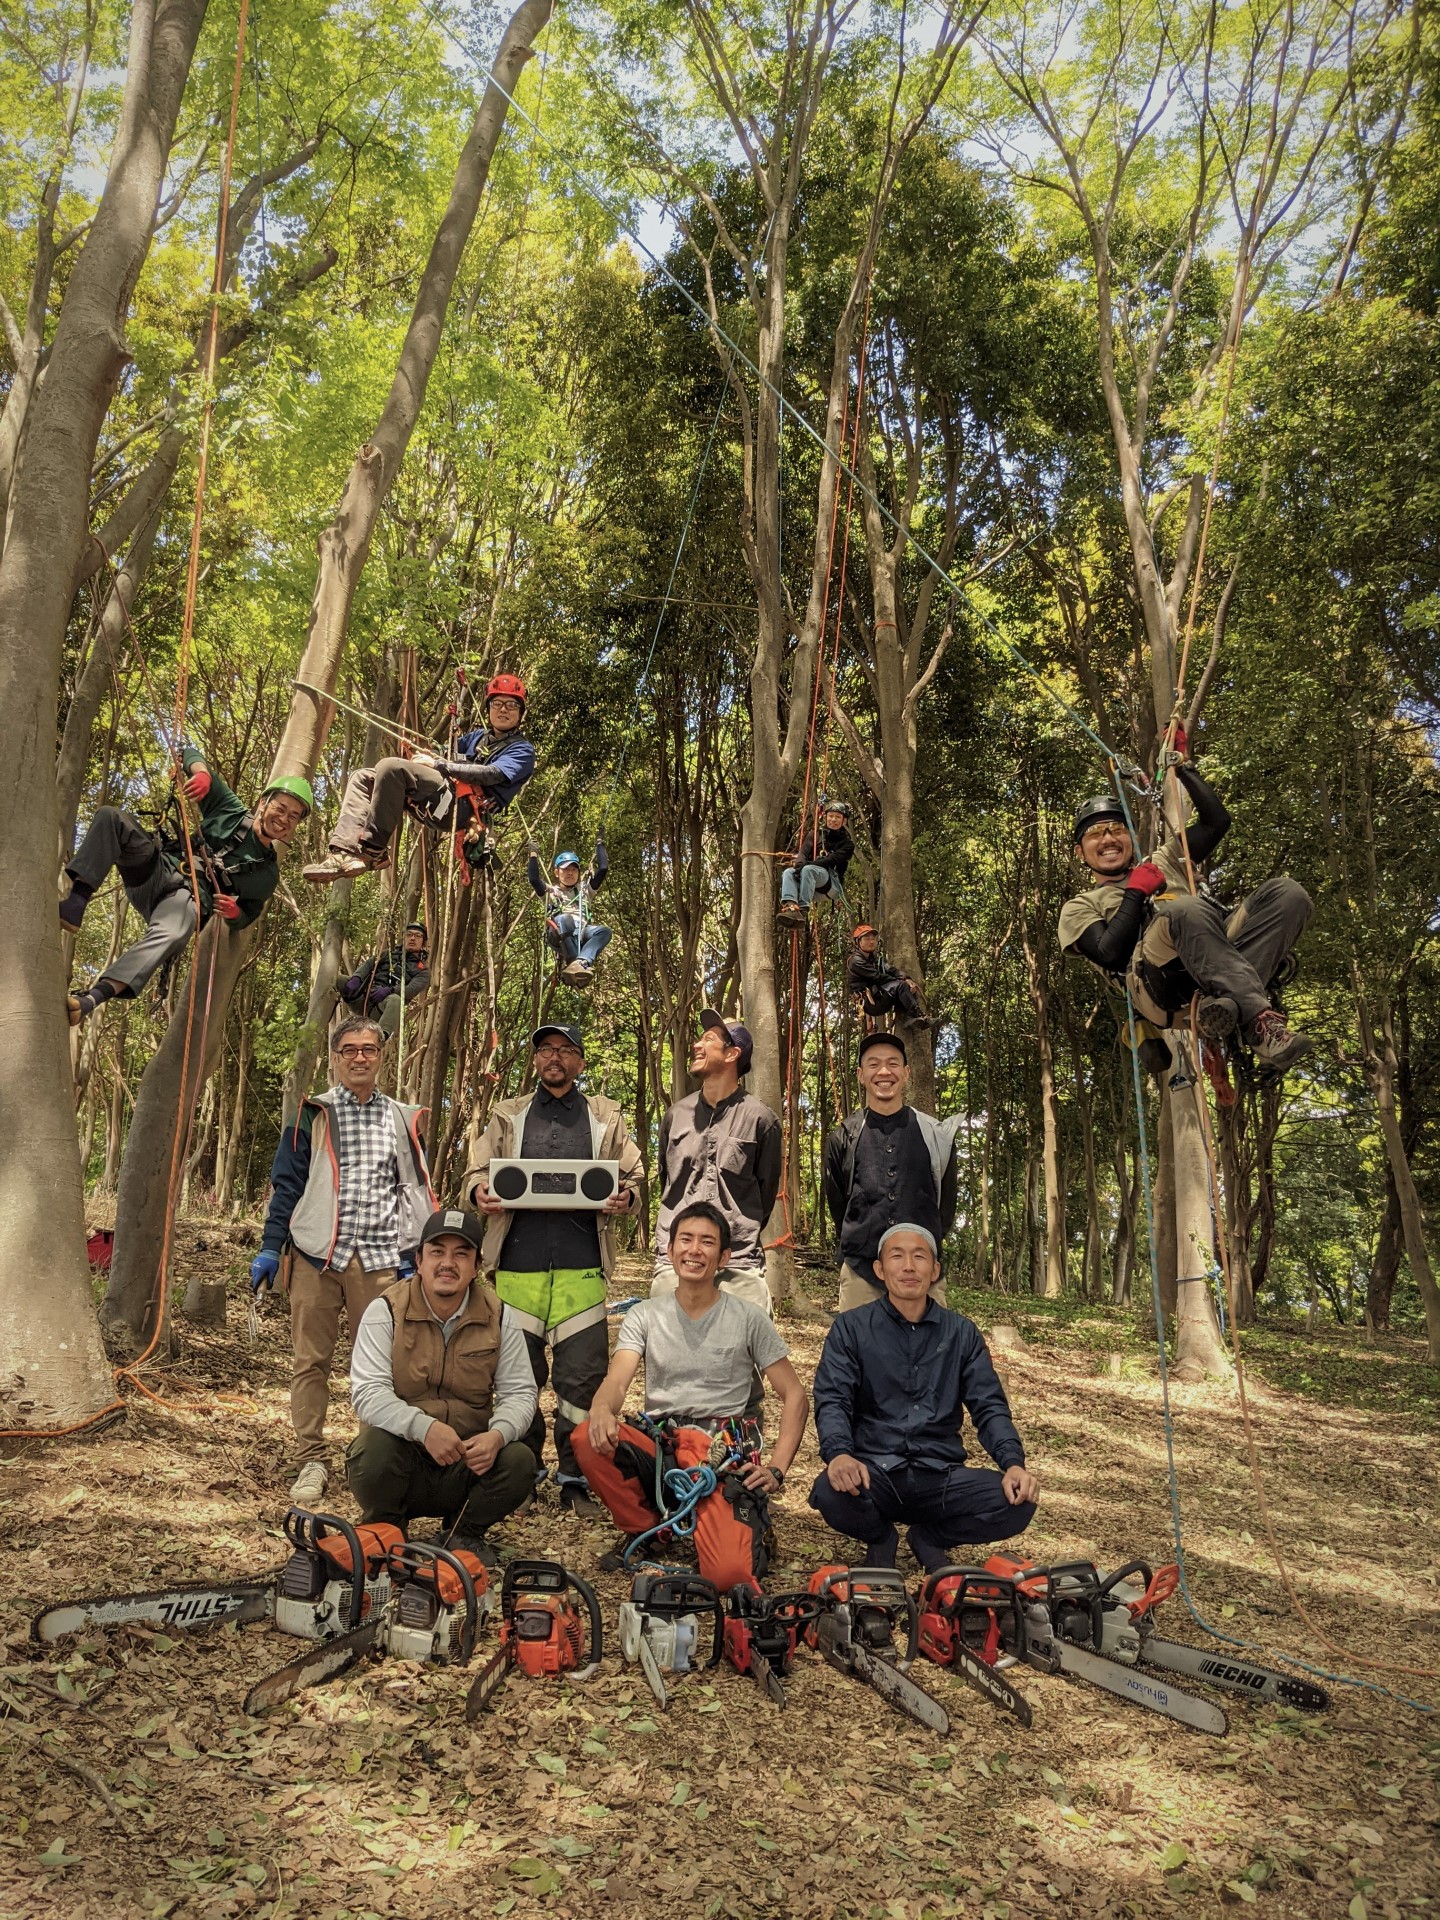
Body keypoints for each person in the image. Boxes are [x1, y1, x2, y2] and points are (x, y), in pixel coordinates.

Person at [250, 1014, 436, 1507]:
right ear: (336, 1057)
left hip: (379, 1262)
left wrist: (415, 1254)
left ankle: (367, 1456)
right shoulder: (313, 1113)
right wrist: (272, 1245)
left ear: (380, 1056)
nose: (359, 1057)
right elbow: (286, 1185)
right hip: (317, 1256)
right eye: (349, 1049)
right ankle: (311, 1457)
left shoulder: (400, 1117)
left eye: (368, 1049)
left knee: (376, 1366)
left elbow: (413, 1190)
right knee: (309, 1361)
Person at [573, 1202, 808, 1589]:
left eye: (707, 1242)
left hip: (718, 1453)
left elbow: (794, 1395)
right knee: (586, 1437)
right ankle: (646, 1530)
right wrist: (600, 1409)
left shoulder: (748, 1318)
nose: (694, 1250)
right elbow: (617, 1381)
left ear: (724, 1257)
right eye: (685, 1239)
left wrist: (777, 1469)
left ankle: (748, 1523)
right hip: (663, 1446)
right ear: (670, 1251)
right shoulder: (645, 1315)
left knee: (727, 1577)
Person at [463, 1024, 643, 1512]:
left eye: (565, 1050)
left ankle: (576, 1476)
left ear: (581, 1061)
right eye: (545, 1049)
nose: (555, 1058)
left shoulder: (606, 1117)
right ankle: (521, 1472)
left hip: (582, 1266)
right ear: (536, 1060)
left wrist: (627, 1196)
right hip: (516, 1266)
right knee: (516, 1377)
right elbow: (477, 1171)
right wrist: (480, 1191)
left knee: (581, 1379)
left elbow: (632, 1176)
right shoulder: (508, 1114)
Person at [1058, 732, 1315, 1072]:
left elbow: (1216, 822)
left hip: (1215, 956)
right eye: (1095, 833)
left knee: (1288, 894)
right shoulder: (1080, 906)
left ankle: (1228, 1005)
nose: (1108, 838)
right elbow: (1110, 953)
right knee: (1185, 909)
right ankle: (1258, 1023)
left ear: (1130, 839)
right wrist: (1135, 893)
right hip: (1159, 983)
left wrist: (1184, 768)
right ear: (1080, 852)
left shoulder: (1163, 861)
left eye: (1116, 829)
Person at [809, 1224, 1039, 1573]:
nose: (908, 1266)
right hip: (875, 1474)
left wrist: (1013, 1463)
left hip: (941, 1475)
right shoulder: (851, 1329)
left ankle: (930, 1538)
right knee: (829, 1489)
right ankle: (879, 1538)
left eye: (919, 1257)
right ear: (879, 1269)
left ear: (935, 1270)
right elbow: (833, 1398)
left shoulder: (961, 1334)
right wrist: (839, 1453)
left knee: (1018, 1502)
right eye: (897, 1256)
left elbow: (988, 1406)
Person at [62, 749, 312, 1024]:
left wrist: (234, 914)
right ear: (264, 803)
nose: (284, 819)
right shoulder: (230, 811)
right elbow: (189, 753)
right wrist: (201, 774)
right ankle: (75, 903)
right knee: (112, 818)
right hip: (158, 869)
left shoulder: (267, 874)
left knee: (174, 930)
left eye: (294, 816)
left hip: (184, 901)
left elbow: (248, 914)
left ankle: (91, 999)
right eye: (281, 808)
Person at [346, 1207, 539, 1561]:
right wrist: (424, 1428)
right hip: (402, 1456)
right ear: (419, 1260)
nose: (447, 1263)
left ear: (476, 1266)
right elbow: (367, 1393)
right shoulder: (385, 1310)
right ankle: (387, 1530)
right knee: (371, 1449)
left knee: (519, 1459)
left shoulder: (500, 1315)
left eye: (461, 1253)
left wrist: (497, 1436)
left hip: (466, 1463)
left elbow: (521, 1393)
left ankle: (463, 1533)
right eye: (437, 1252)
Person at [303, 673, 535, 884]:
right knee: (363, 777)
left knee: (391, 767)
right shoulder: (477, 737)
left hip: (462, 807)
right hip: (440, 795)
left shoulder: (522, 750)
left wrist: (440, 765)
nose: (503, 709)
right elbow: (443, 751)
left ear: (520, 712)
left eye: (511, 705)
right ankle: (343, 851)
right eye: (497, 703)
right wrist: (428, 752)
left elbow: (492, 774)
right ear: (489, 707)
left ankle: (373, 850)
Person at [652, 1009, 781, 1316]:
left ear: (732, 1053)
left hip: (738, 1262)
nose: (697, 1044)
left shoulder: (761, 1119)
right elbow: (666, 1181)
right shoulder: (676, 1115)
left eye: (708, 1039)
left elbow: (764, 1195)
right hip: (675, 1261)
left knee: (742, 1359)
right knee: (667, 1357)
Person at [824, 1032, 959, 1312]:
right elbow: (839, 1204)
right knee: (859, 1352)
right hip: (862, 1272)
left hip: (923, 1277)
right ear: (861, 1075)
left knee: (930, 1354)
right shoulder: (844, 1136)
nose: (884, 1072)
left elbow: (944, 1207)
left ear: (906, 1073)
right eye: (873, 1065)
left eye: (893, 1064)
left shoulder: (934, 1135)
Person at [528, 839, 611, 987]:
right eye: (565, 869)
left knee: (604, 931)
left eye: (574, 869)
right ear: (556, 872)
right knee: (565, 918)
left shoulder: (585, 890)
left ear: (578, 873)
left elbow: (603, 869)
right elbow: (534, 879)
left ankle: (582, 962)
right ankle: (573, 962)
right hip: (560, 934)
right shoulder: (551, 892)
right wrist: (533, 854)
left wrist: (599, 844)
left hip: (581, 932)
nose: (570, 873)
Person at [339, 922, 430, 1039]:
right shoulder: (388, 954)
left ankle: (379, 1038)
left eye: (418, 936)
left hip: (381, 1009)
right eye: (409, 934)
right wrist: (357, 978)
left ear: (423, 942)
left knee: (395, 1000)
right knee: (337, 979)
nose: (412, 938)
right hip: (362, 996)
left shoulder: (423, 971)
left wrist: (390, 990)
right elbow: (369, 964)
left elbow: (411, 990)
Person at [777, 798, 853, 925]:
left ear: (844, 820)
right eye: (831, 816)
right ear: (825, 817)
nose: (833, 820)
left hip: (831, 884)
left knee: (808, 870)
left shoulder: (847, 844)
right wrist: (799, 866)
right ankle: (791, 908)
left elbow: (830, 860)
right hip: (811, 881)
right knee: (789, 873)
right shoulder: (815, 835)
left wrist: (805, 866)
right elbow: (803, 852)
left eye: (837, 817)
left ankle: (803, 910)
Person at [846, 924, 929, 1024]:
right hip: (871, 1003)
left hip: (879, 996)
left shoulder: (875, 958)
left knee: (903, 987)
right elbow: (877, 977)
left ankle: (907, 1018)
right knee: (900, 986)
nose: (871, 942)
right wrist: (901, 982)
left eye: (873, 939)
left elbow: (890, 969)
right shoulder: (855, 961)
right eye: (867, 939)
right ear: (858, 942)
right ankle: (918, 1016)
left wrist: (906, 978)